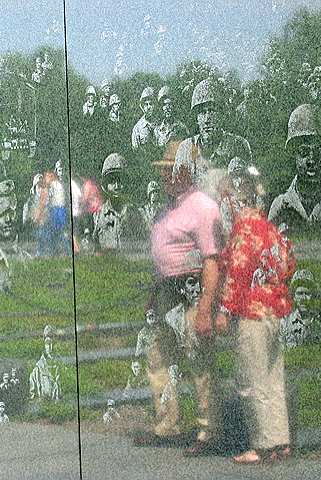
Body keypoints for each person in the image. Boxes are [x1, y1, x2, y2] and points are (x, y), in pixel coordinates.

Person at [135, 142, 223, 456]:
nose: (163, 175)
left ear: (184, 171)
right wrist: (152, 297)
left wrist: (205, 307)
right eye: (161, 170)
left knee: (199, 360)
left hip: (192, 291)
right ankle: (166, 425)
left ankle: (208, 430)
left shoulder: (202, 206)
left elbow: (212, 259)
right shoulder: (165, 208)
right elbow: (162, 258)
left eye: (168, 169)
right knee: (158, 358)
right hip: (165, 293)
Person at [216, 169, 296, 465]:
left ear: (236, 201)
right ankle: (280, 440)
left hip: (251, 313)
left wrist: (224, 311)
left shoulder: (243, 230)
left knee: (252, 379)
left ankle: (261, 446)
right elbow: (289, 263)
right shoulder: (269, 227)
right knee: (274, 379)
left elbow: (237, 273)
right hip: (276, 311)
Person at [268, 104, 321, 234]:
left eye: (318, 152)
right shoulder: (280, 207)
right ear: (294, 155)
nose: (311, 160)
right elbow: (266, 251)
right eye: (304, 152)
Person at [173, 79, 252, 201]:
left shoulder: (238, 145)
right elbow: (177, 194)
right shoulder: (185, 149)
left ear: (221, 114)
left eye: (211, 111)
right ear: (196, 118)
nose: (206, 119)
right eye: (202, 113)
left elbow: (249, 193)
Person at [93, 153, 139, 252]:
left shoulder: (136, 213)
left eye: (120, 180)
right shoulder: (98, 216)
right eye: (112, 181)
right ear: (105, 184)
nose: (117, 186)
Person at [132, 87, 157, 151]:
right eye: (146, 104)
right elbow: (135, 151)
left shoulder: (161, 123)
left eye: (151, 104)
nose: (148, 107)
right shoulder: (137, 128)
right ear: (142, 106)